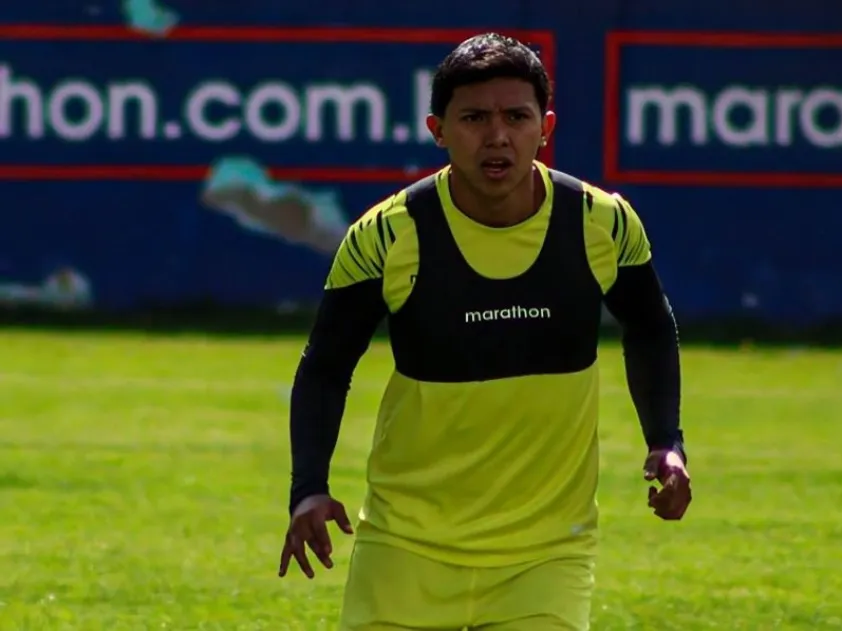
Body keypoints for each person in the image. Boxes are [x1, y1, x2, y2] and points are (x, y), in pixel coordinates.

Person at [277, 32, 692, 631]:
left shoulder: (602, 223)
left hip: (547, 554)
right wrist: (308, 488)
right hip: (404, 549)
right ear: (437, 129)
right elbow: (326, 365)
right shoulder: (387, 236)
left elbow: (650, 326)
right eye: (473, 118)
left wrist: (666, 441)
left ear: (545, 126)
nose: (496, 136)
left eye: (516, 117)